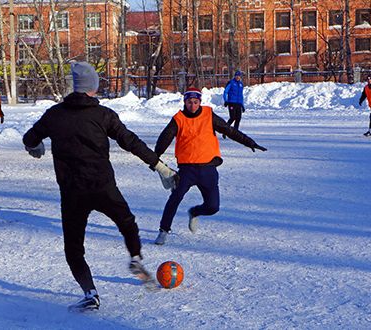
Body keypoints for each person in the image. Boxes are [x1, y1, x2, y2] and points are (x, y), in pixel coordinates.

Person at [23, 62, 178, 311]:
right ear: (91, 88)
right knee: (127, 222)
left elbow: (29, 138)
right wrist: (160, 167)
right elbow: (132, 142)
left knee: (74, 249)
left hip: (72, 193)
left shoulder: (54, 115)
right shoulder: (103, 115)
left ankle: (90, 293)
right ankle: (136, 259)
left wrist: (35, 147)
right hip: (103, 187)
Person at [153, 87, 267, 245]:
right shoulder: (178, 119)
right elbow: (165, 138)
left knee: (213, 207)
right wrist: (155, 157)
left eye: (195, 102)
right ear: (184, 102)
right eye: (189, 102)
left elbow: (229, 130)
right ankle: (163, 230)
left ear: (200, 102)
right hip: (187, 170)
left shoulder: (208, 115)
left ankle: (194, 212)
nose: (192, 105)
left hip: (208, 169)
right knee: (175, 198)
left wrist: (249, 142)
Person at [222, 70, 245, 138]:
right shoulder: (231, 83)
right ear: (235, 76)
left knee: (238, 118)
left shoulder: (241, 84)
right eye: (237, 76)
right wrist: (226, 101)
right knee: (232, 118)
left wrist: (242, 105)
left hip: (238, 103)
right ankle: (225, 131)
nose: (238, 77)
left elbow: (241, 95)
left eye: (239, 76)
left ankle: (235, 133)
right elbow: (225, 92)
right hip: (232, 103)